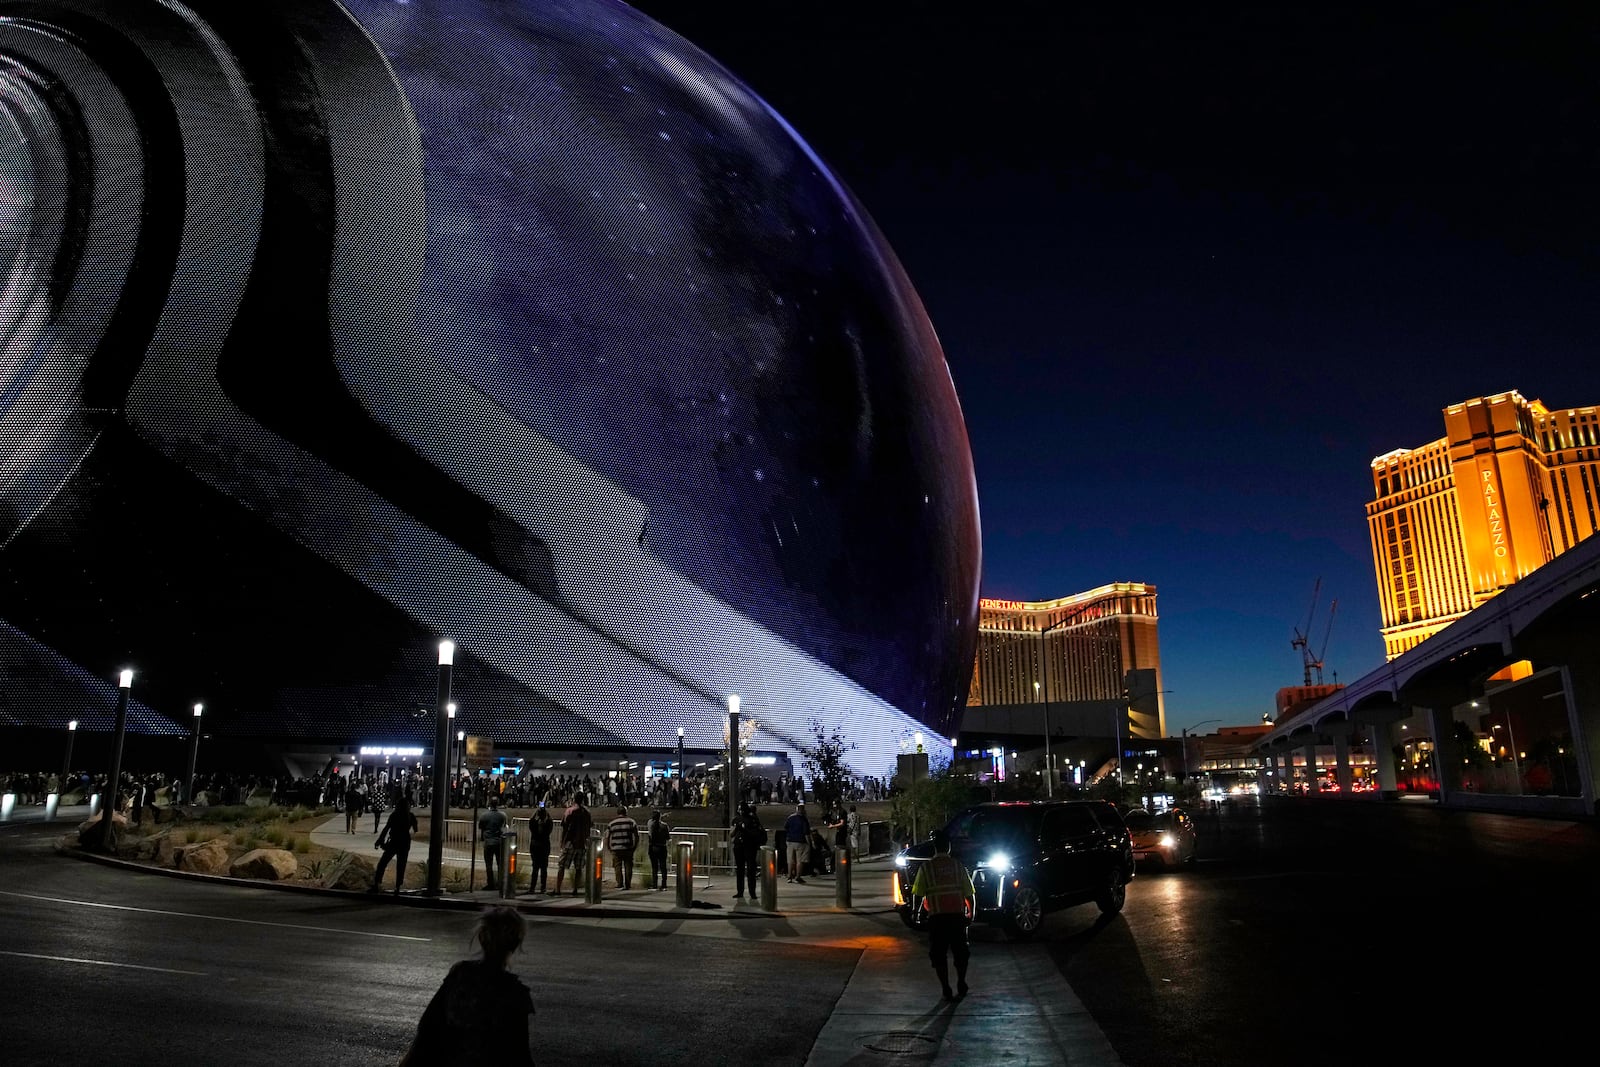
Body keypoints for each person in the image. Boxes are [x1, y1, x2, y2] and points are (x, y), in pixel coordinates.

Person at [399, 906, 535, 1066]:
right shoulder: (516, 994)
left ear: (481, 938)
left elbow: (429, 1025)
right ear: (515, 943)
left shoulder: (460, 974)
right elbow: (520, 1053)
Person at [909, 828, 976, 1001]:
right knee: (961, 953)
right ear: (948, 847)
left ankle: (946, 987)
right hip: (957, 918)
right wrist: (971, 914)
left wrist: (916, 914)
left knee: (939, 955)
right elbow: (969, 894)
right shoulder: (957, 866)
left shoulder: (926, 868)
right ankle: (961, 981)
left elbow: (918, 894)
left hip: (937, 919)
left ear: (935, 848)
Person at [369, 795, 419, 895]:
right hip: (405, 841)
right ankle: (398, 887)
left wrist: (380, 840)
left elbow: (386, 828)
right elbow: (416, 829)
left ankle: (377, 884)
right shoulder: (410, 815)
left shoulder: (394, 815)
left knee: (383, 863)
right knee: (401, 865)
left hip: (394, 840)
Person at [554, 793, 592, 896]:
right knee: (578, 868)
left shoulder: (570, 811)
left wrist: (562, 841)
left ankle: (558, 889)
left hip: (570, 842)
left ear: (574, 799)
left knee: (561, 866)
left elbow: (565, 827)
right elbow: (589, 826)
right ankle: (575, 889)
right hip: (581, 843)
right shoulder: (587, 812)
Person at [732, 802, 765, 899]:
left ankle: (752, 892)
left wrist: (745, 830)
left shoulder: (753, 819)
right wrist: (737, 828)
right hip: (738, 846)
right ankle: (740, 892)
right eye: (739, 809)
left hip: (750, 846)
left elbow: (756, 833)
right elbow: (731, 834)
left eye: (741, 809)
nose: (740, 811)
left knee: (751, 870)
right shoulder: (736, 819)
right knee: (740, 870)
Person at [479, 795, 508, 891]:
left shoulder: (484, 816)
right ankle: (500, 883)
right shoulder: (502, 816)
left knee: (489, 864)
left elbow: (482, 828)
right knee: (500, 864)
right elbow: (504, 827)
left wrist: (483, 838)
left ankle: (490, 883)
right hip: (499, 842)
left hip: (488, 842)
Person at [606, 806, 639, 889]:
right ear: (625, 812)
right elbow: (636, 835)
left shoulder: (612, 823)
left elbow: (607, 837)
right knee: (628, 866)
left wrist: (609, 847)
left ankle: (619, 883)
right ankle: (628, 884)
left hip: (616, 848)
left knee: (617, 866)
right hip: (628, 848)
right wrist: (634, 846)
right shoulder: (631, 822)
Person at [525, 803, 553, 894]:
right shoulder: (548, 823)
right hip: (544, 846)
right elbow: (550, 823)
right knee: (544, 868)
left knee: (535, 868)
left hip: (535, 846)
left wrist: (536, 812)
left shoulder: (534, 824)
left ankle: (532, 887)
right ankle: (543, 887)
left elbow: (530, 821)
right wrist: (546, 813)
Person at [783, 802, 811, 884]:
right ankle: (798, 877)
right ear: (804, 811)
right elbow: (806, 833)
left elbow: (785, 827)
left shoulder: (790, 817)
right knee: (799, 861)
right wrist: (809, 843)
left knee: (790, 860)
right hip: (800, 842)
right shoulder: (804, 819)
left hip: (790, 841)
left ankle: (789, 877)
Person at [646, 809, 671, 891]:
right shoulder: (665, 826)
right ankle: (664, 885)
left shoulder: (650, 824)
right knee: (663, 867)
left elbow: (653, 820)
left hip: (653, 847)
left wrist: (661, 816)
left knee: (654, 867)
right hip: (662, 847)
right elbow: (668, 838)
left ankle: (654, 885)